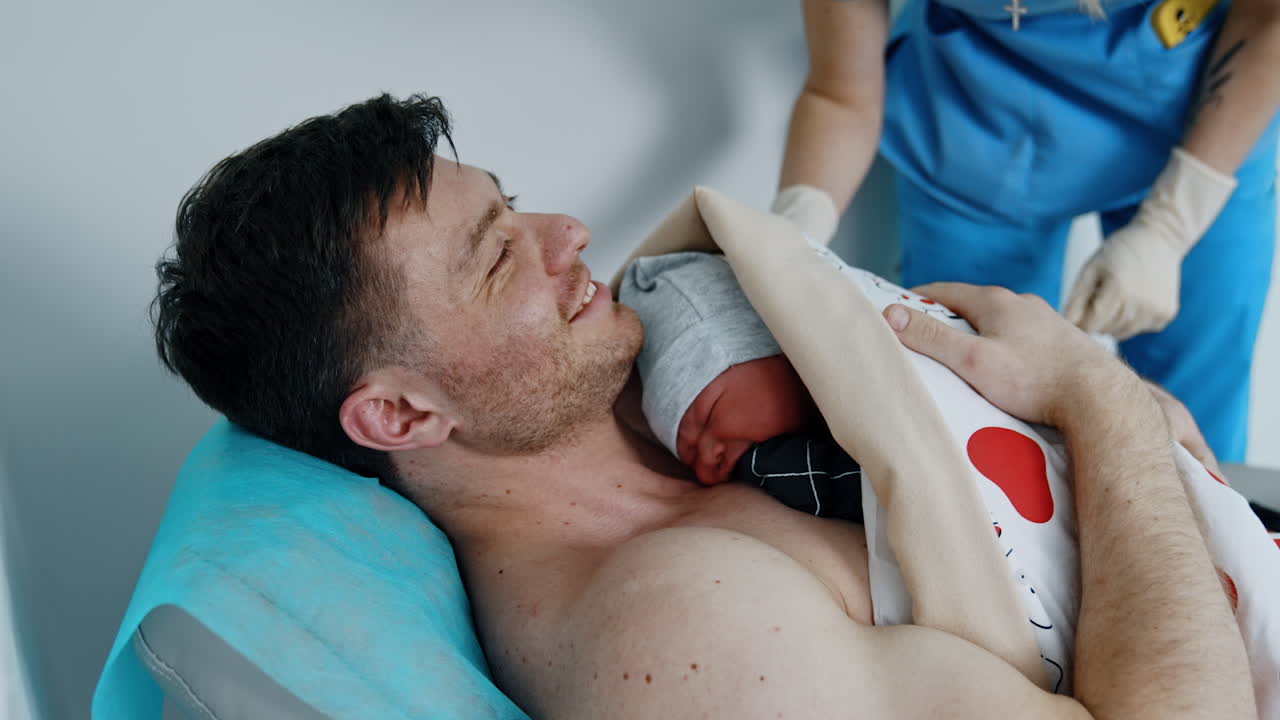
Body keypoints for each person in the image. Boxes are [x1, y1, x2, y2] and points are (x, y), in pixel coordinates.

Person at [153, 93, 1256, 718]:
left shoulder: (675, 370)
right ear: (400, 417)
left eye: (515, 206)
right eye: (498, 259)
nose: (569, 235)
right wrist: (1099, 402)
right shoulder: (679, 636)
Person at [772, 0, 1280, 463]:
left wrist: (1171, 225)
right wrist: (794, 226)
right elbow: (841, 95)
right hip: (974, 117)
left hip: (1205, 99)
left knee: (1199, 419)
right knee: (967, 413)